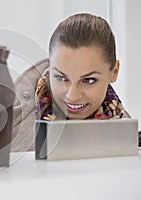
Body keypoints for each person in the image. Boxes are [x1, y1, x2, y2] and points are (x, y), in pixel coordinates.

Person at [12, 13, 130, 152]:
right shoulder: (4, 121)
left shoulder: (127, 135)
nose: (72, 96)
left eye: (88, 80)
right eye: (61, 78)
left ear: (114, 72)